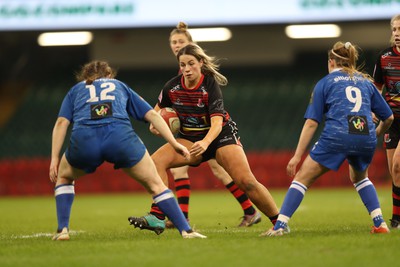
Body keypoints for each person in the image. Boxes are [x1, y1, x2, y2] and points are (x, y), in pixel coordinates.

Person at [128, 43, 279, 235]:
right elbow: (155, 115)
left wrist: (206, 143)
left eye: (191, 63)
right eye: (183, 65)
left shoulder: (209, 85)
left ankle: (279, 223)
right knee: (156, 161)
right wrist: (156, 127)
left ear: (200, 62)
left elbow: (216, 123)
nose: (187, 69)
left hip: (219, 137)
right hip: (190, 138)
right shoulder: (171, 87)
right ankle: (158, 216)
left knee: (247, 182)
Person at [49, 60, 206, 240]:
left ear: (86, 77)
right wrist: (175, 143)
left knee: (64, 177)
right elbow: (152, 115)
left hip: (85, 139)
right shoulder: (119, 85)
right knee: (156, 185)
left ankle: (62, 230)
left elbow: (62, 123)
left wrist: (54, 158)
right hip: (120, 139)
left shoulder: (76, 90)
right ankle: (186, 231)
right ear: (109, 75)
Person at [264, 41, 394, 237]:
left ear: (331, 61)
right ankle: (380, 223)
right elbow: (389, 117)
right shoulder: (365, 82)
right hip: (364, 135)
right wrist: (374, 133)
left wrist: (297, 156)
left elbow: (311, 123)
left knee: (301, 178)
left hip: (337, 136)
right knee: (361, 178)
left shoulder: (324, 83)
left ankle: (280, 226)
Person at [162, 22, 261, 228]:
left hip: (211, 130)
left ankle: (250, 211)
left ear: (191, 44)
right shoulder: (181, 70)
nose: (177, 45)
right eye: (173, 42)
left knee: (222, 171)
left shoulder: (198, 71)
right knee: (179, 171)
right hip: (192, 130)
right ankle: (183, 217)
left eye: (181, 41)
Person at [372, 14, 400, 229]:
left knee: (399, 164)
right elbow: (377, 88)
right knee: (395, 171)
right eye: (394, 30)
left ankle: (397, 220)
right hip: (392, 121)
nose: (397, 34)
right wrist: (375, 110)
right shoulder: (384, 57)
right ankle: (397, 217)